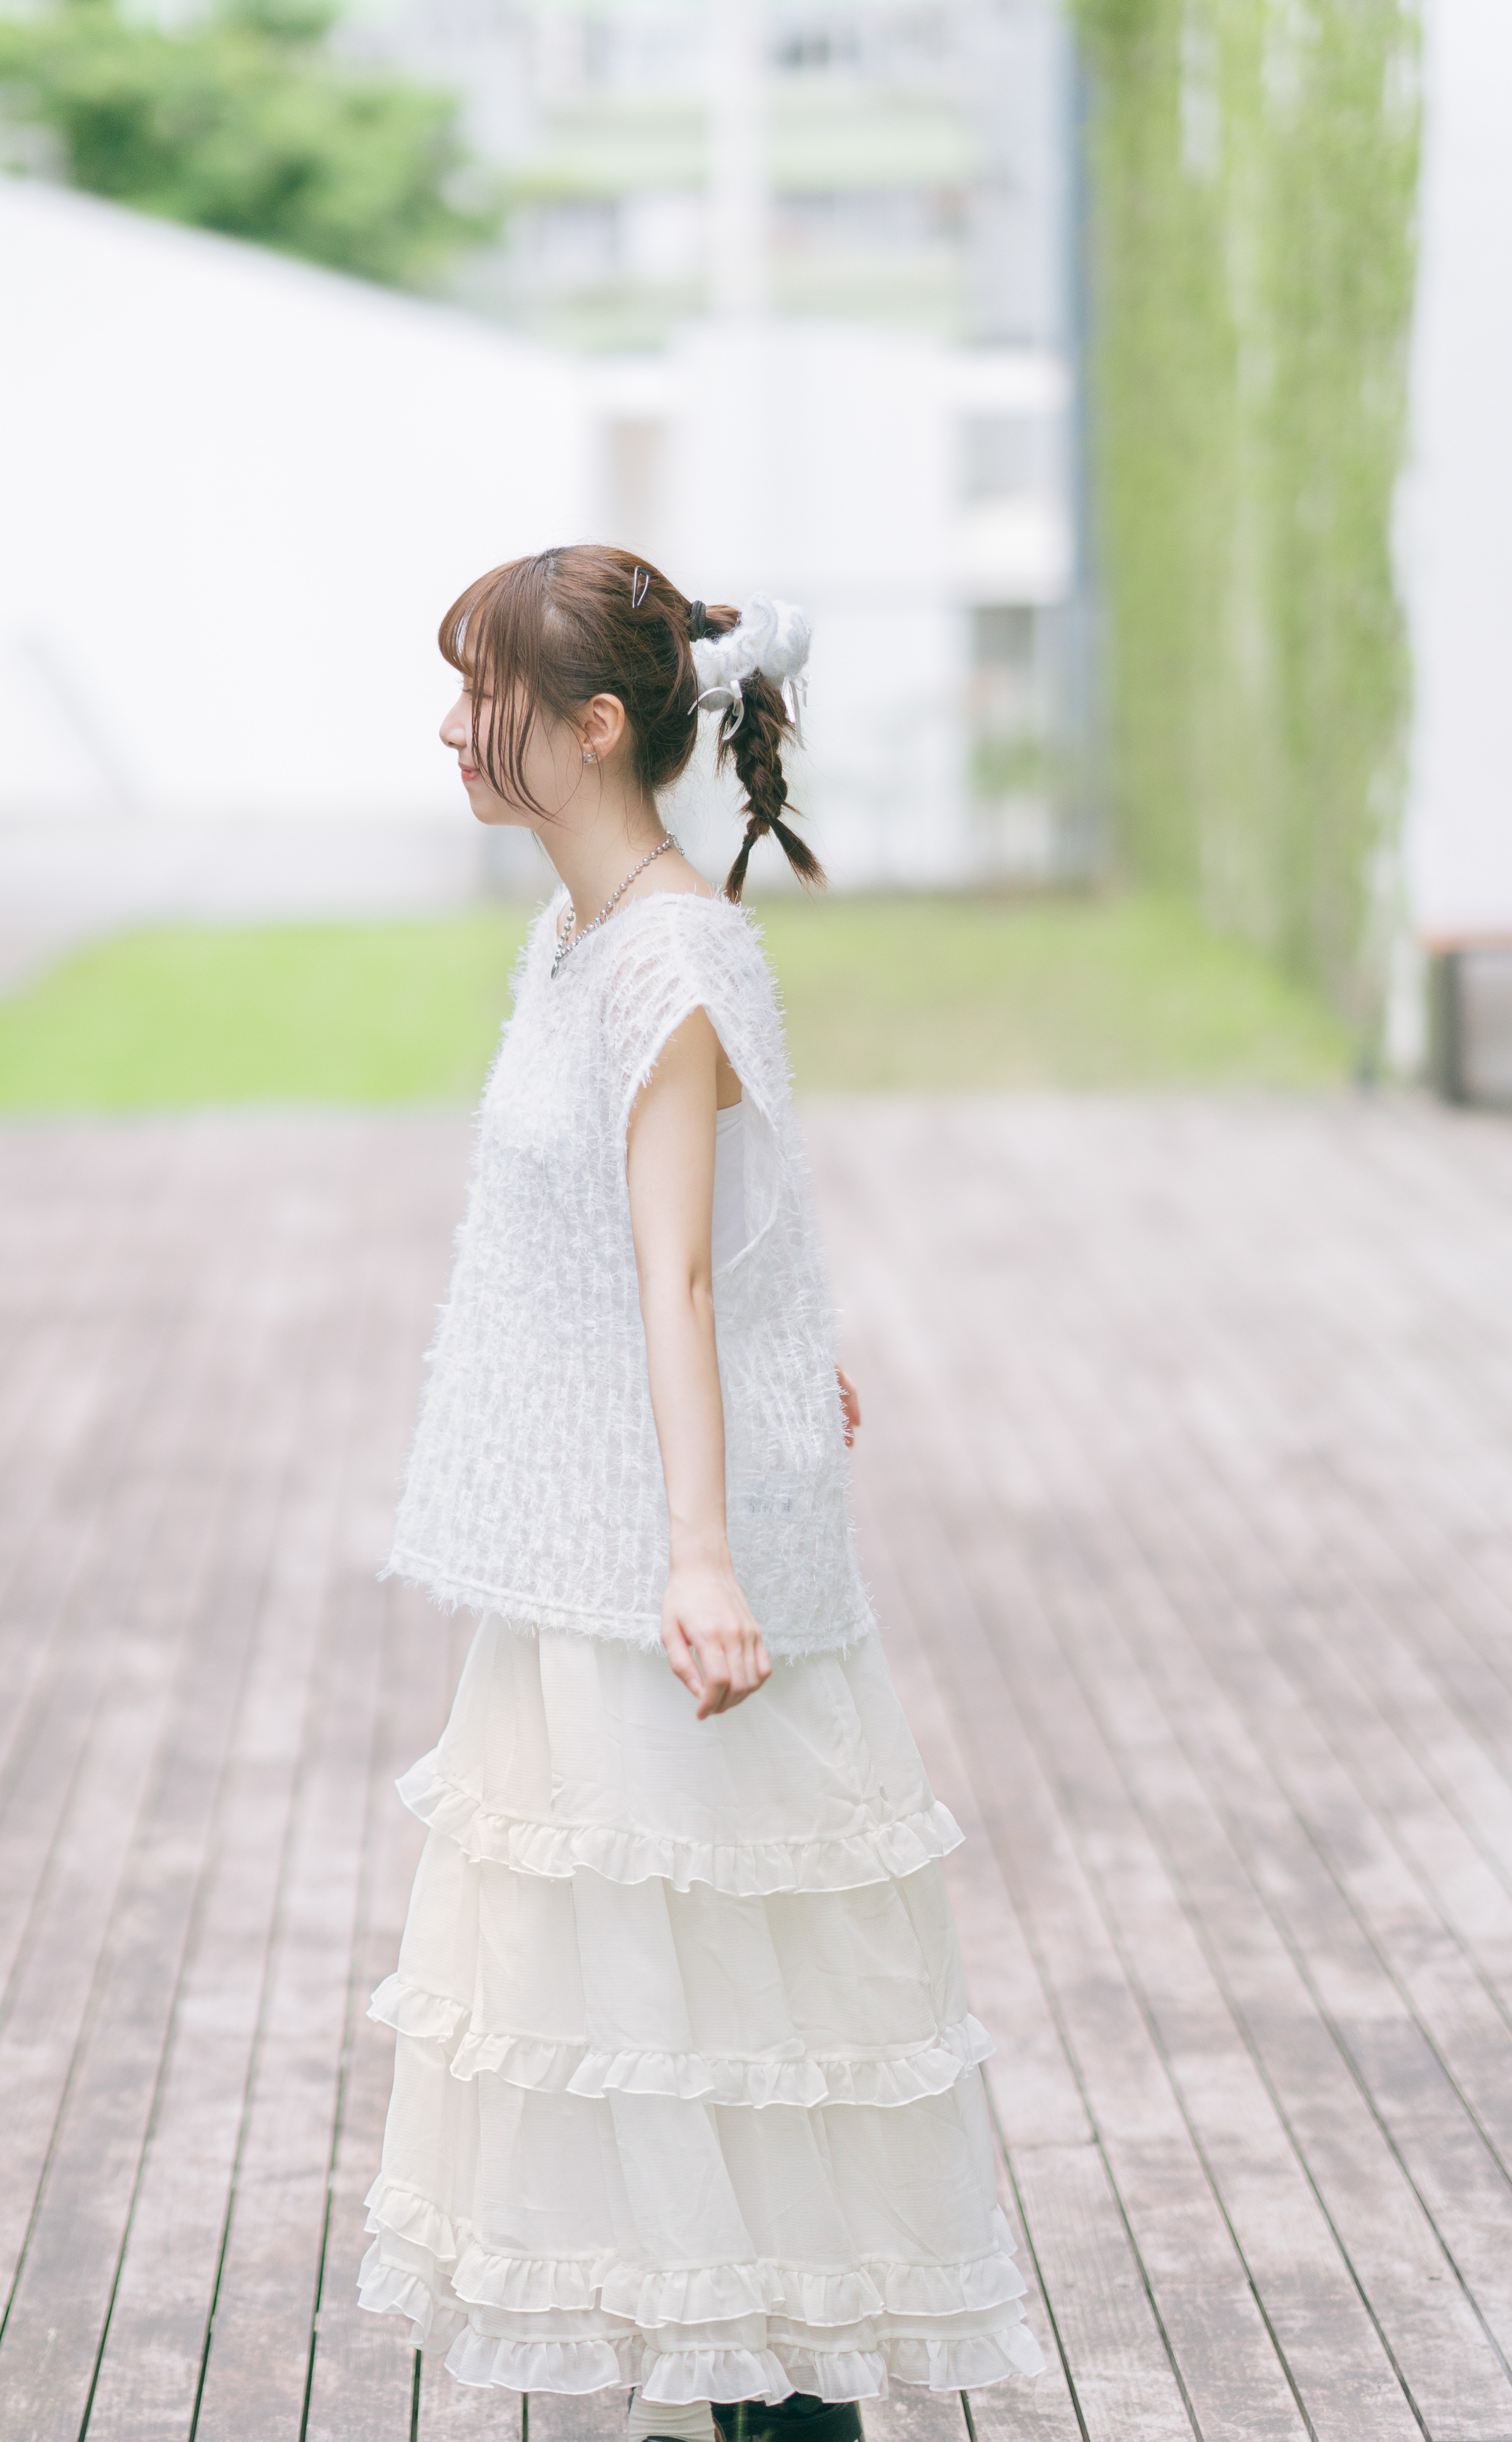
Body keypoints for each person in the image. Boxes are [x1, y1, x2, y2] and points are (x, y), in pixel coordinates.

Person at [358, 545, 1043, 2440]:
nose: (451, 726)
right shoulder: (584, 932)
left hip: (657, 1591)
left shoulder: (667, 955)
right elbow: (684, 1244)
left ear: (592, 727)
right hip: (585, 1565)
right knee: (664, 2074)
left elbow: (675, 1269)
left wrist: (701, 1555)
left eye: (483, 692)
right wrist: (780, 1355)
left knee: (726, 2065)